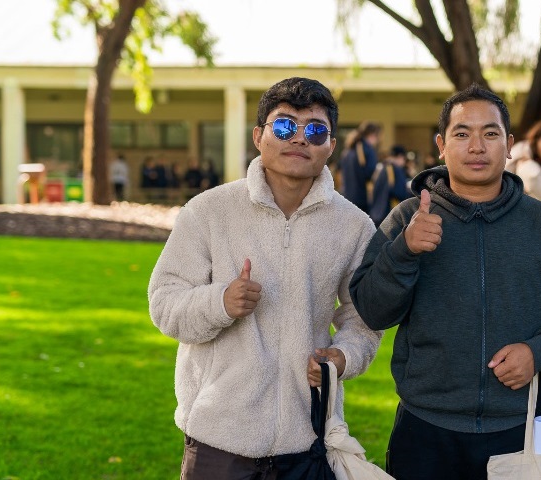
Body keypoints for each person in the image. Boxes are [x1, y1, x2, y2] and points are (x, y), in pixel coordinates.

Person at [347, 84, 541, 480]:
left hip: (523, 427)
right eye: (462, 134)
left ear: (510, 144)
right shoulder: (409, 218)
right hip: (426, 428)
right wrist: (405, 250)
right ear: (441, 145)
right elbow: (373, 310)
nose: (477, 146)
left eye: (490, 133)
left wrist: (540, 351)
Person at [148, 77, 381, 480]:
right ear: (259, 136)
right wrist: (220, 302)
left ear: (331, 146)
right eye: (285, 126)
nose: (300, 139)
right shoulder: (208, 211)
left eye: (315, 130)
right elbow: (164, 303)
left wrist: (343, 357)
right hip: (218, 441)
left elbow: (363, 318)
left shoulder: (355, 227)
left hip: (307, 438)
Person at [338, 120, 383, 212]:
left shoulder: (348, 150)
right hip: (361, 199)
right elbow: (371, 174)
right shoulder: (367, 150)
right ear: (373, 135)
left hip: (346, 197)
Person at [368, 145, 413, 226]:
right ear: (400, 156)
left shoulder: (380, 168)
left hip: (375, 214)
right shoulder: (395, 169)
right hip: (387, 215)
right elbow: (400, 193)